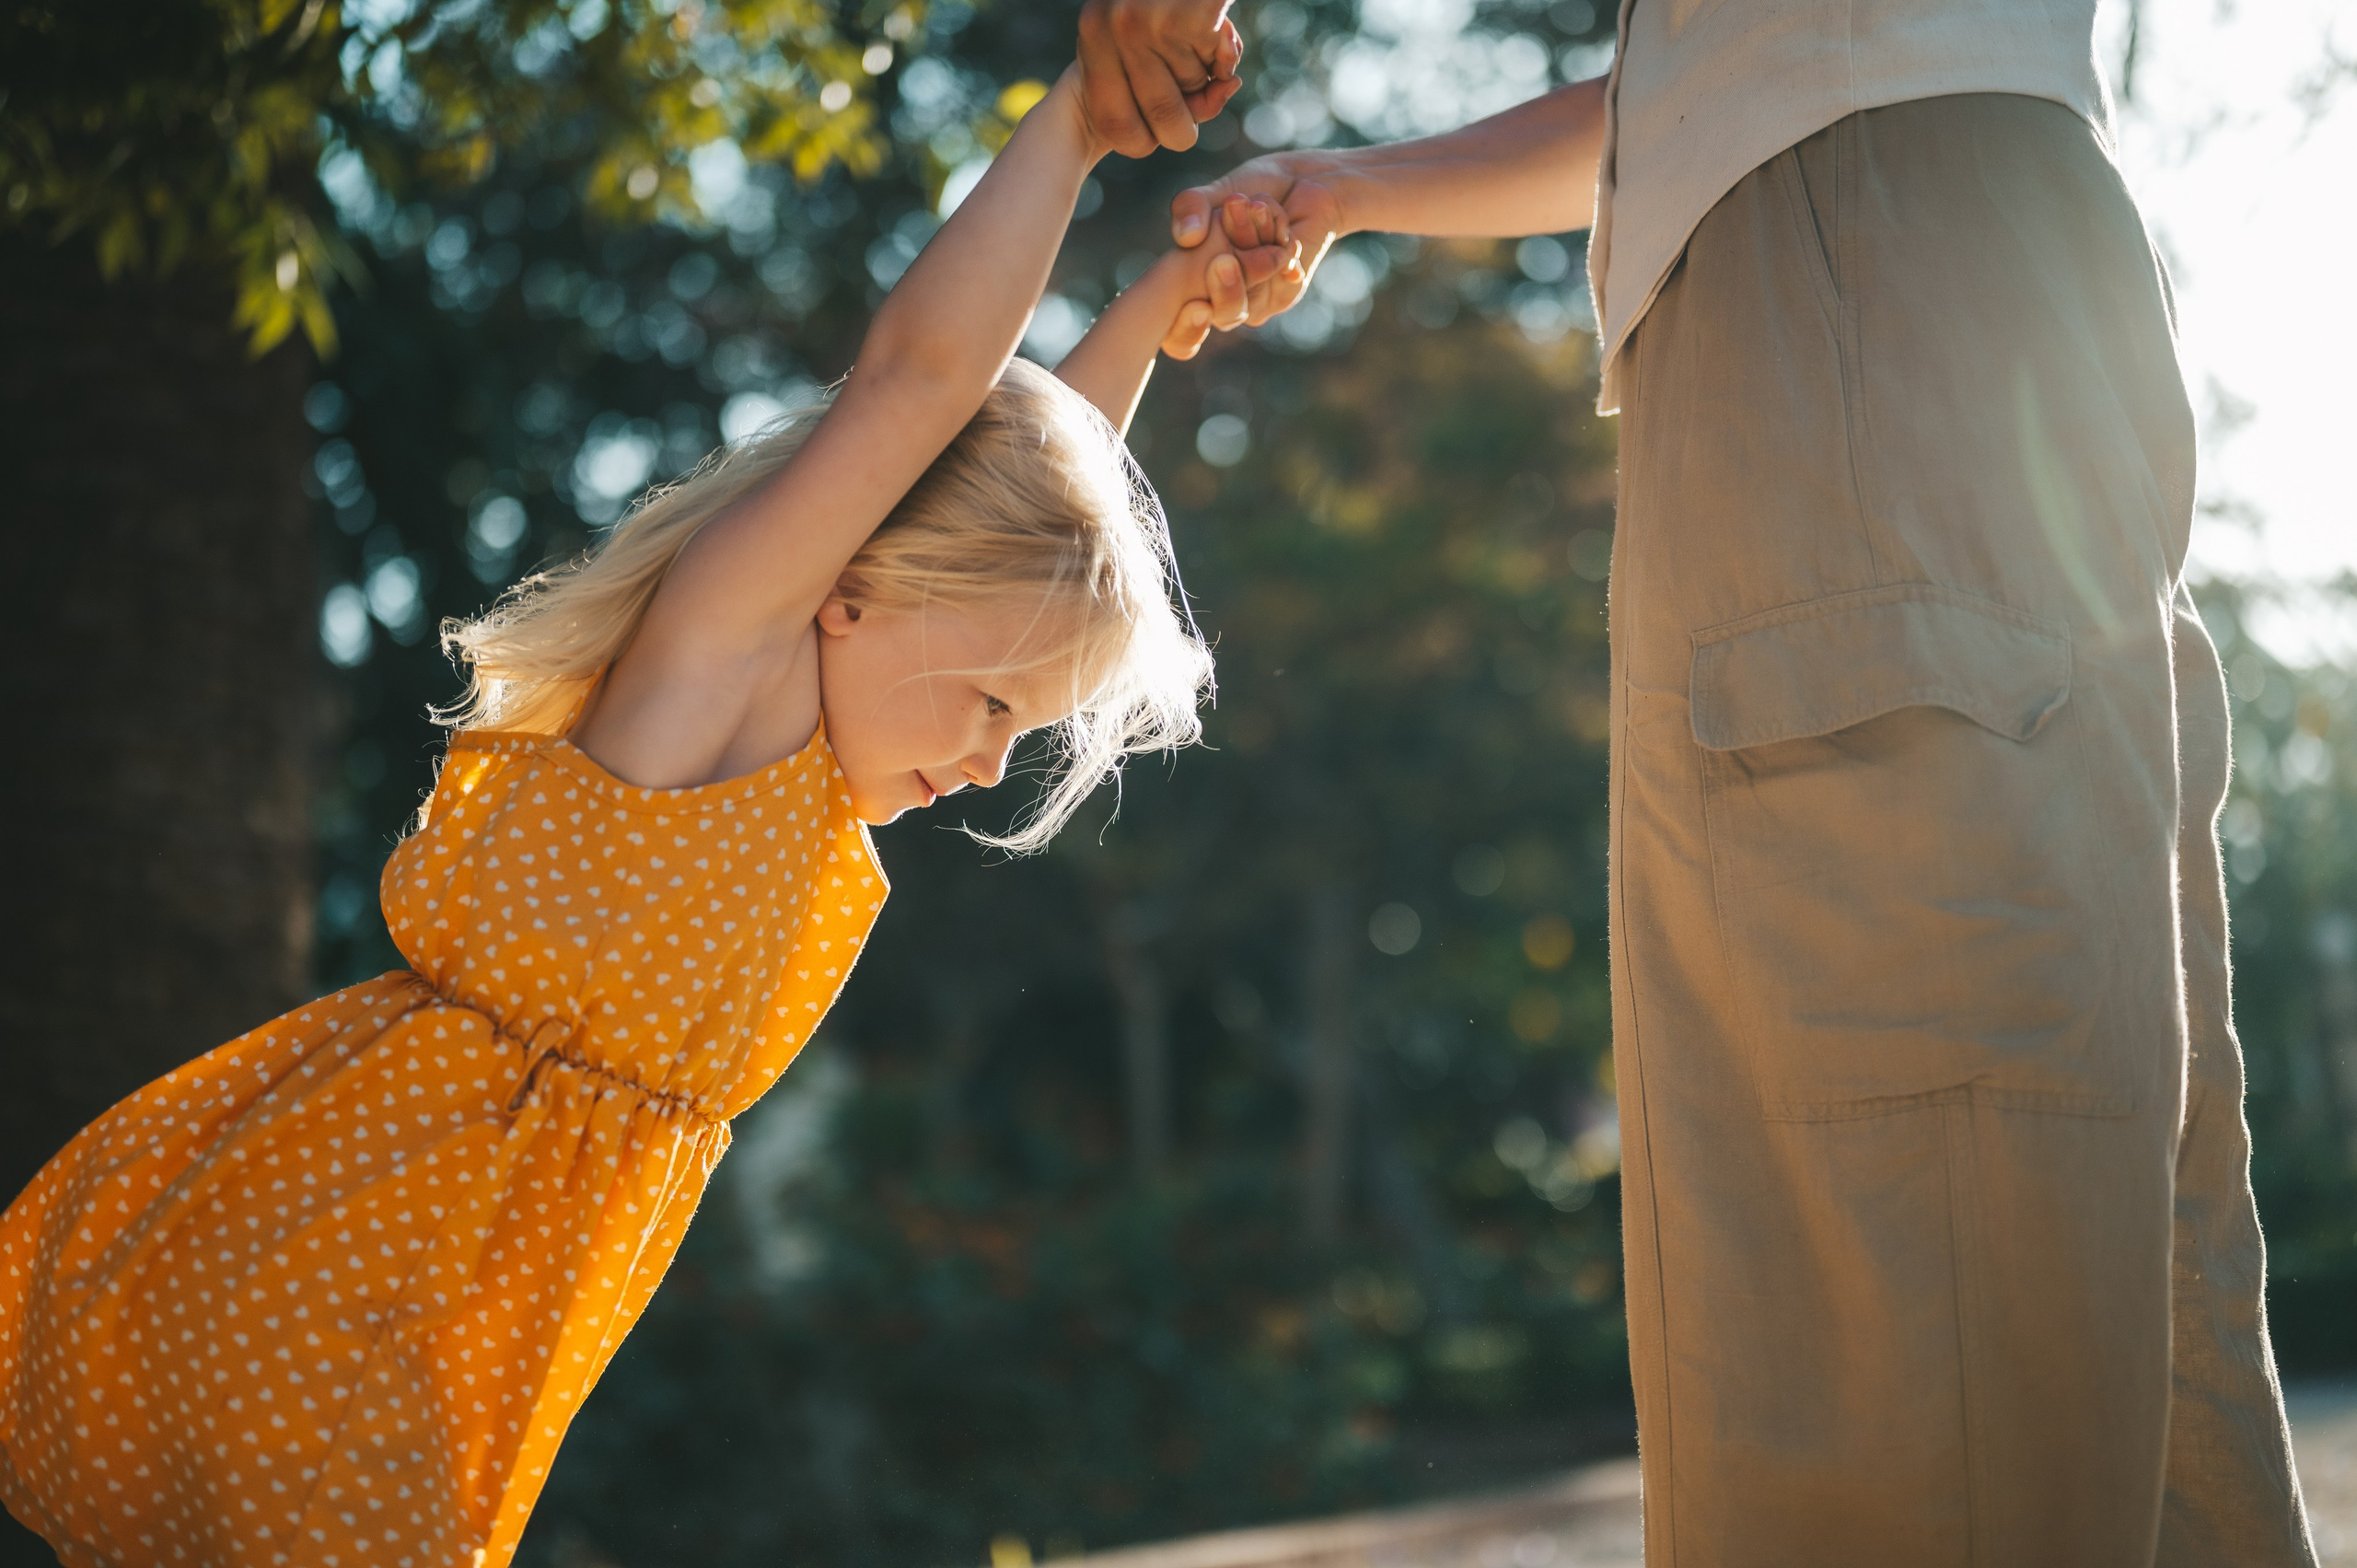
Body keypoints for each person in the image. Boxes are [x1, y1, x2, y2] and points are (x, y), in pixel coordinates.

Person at [0, 26, 1305, 1564]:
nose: (994, 761)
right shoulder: (717, 683)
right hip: (360, 1262)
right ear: (860, 581)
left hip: (433, 1301)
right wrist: (1080, 128)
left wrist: (1154, 308)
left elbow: (1018, 497)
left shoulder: (809, 760)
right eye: (1000, 704)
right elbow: (923, 383)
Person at [1084, 1, 2316, 1562]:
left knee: (1889, 1219)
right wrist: (1355, 181)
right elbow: (1693, 88)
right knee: (2091, 1182)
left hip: (1858, 258)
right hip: (1955, 256)